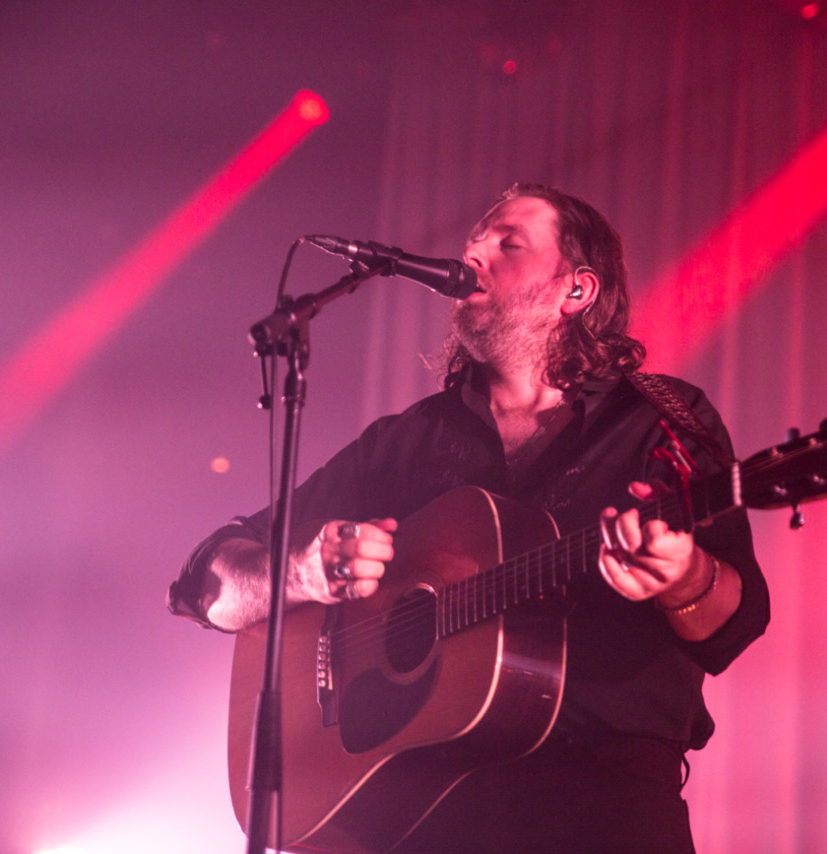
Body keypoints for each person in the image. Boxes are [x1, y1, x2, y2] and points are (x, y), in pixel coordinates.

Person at [168, 183, 769, 853]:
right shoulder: (404, 442)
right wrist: (303, 575)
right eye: (473, 241)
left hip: (604, 810)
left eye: (508, 243)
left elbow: (738, 623)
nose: (475, 252)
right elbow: (204, 581)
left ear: (576, 291)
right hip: (414, 814)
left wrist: (686, 581)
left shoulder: (661, 425)